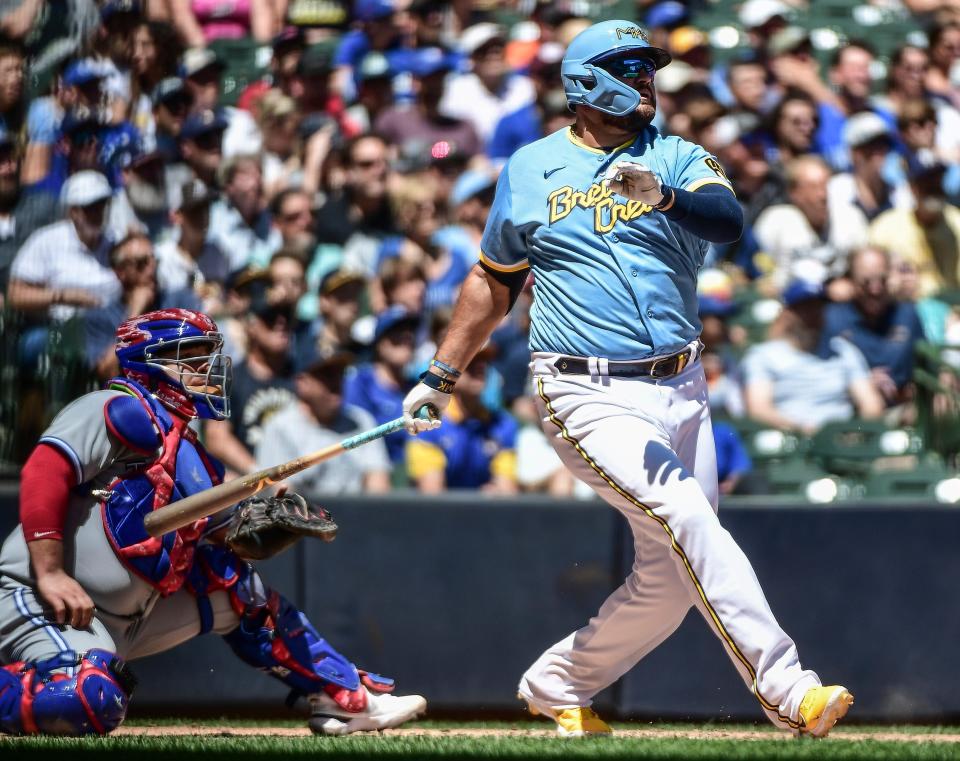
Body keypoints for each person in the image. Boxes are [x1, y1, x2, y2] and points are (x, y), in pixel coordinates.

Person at [401, 19, 852, 738]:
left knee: (670, 583)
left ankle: (556, 683)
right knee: (688, 517)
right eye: (629, 65)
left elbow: (728, 219)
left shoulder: (674, 154)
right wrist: (441, 372)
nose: (646, 77)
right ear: (585, 82)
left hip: (682, 384)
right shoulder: (530, 167)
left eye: (649, 66)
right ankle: (789, 689)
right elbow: (493, 278)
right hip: (583, 385)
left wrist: (663, 195)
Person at [0, 307, 425, 737]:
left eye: (208, 356)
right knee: (89, 698)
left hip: (124, 621)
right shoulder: (113, 407)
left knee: (238, 587)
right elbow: (44, 470)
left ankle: (345, 698)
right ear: (151, 361)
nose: (207, 369)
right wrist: (50, 572)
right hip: (40, 600)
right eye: (193, 356)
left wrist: (263, 526)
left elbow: (223, 539)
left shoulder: (194, 457)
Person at [743, 279, 885, 433]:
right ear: (788, 312)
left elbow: (871, 403)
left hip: (840, 438)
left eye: (818, 307)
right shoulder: (763, 355)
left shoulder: (842, 350)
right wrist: (803, 430)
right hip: (788, 440)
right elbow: (758, 409)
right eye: (805, 308)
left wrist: (858, 432)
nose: (813, 314)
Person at [256, 346, 391, 498]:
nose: (336, 382)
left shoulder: (361, 421)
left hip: (357, 516)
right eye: (326, 375)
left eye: (339, 373)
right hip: (304, 518)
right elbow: (281, 494)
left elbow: (378, 484)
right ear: (302, 383)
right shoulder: (281, 427)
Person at [820, 247, 926, 407]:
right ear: (851, 281)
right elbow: (816, 376)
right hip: (851, 413)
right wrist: (860, 384)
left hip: (903, 408)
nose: (875, 289)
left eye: (882, 280)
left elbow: (927, 365)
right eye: (866, 282)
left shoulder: (907, 314)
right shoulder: (832, 319)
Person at [406, 345, 518, 494]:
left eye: (484, 361)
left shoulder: (503, 424)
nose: (481, 366)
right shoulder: (426, 424)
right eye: (471, 360)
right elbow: (432, 495)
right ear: (446, 372)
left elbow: (507, 494)